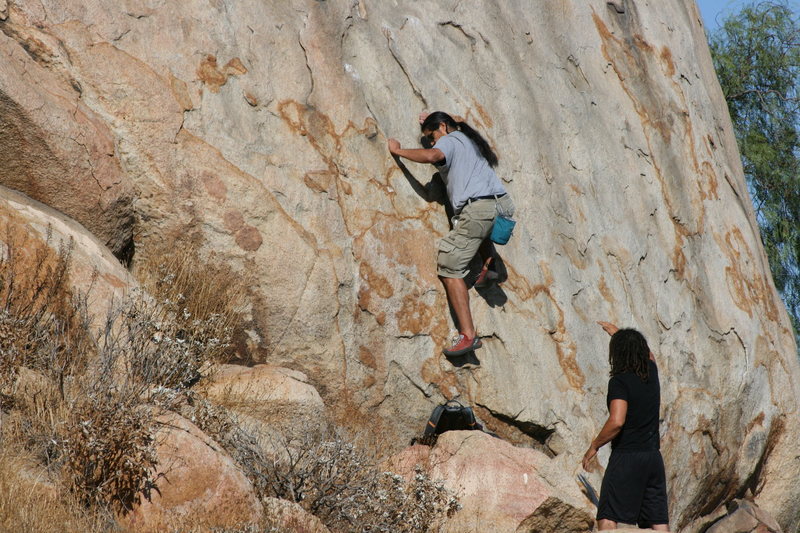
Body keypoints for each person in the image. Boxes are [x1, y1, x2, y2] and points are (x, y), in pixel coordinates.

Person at [387, 111, 514, 357]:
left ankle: (468, 336)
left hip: (478, 209)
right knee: (474, 229)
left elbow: (433, 155)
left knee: (449, 266)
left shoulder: (449, 140)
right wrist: (438, 122)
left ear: (443, 127)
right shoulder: (468, 138)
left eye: (432, 135)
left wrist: (399, 152)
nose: (433, 142)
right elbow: (451, 129)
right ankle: (490, 265)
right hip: (499, 207)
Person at [582, 321, 670, 531]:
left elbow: (617, 421)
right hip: (653, 459)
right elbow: (650, 356)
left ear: (617, 354)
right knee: (658, 520)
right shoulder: (651, 372)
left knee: (608, 516)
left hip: (627, 458)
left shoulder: (620, 382)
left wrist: (594, 445)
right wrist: (619, 334)